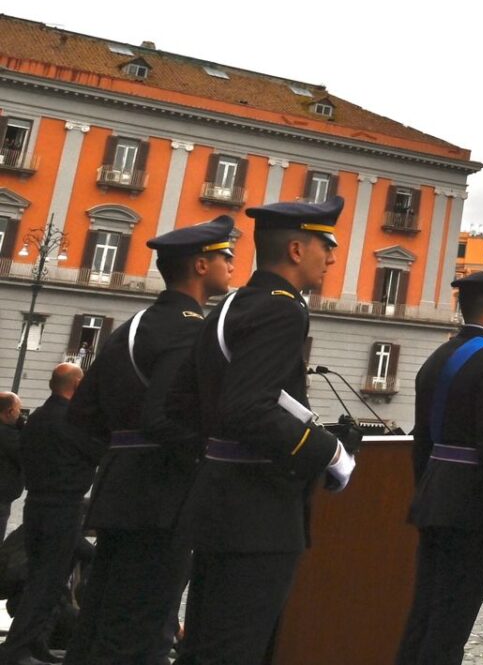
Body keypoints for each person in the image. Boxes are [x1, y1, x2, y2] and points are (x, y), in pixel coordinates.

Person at [169, 198, 353, 665]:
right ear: (296, 249)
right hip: (258, 511)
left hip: (220, 500)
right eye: (325, 245)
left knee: (206, 645)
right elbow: (249, 406)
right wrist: (328, 452)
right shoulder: (282, 310)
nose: (331, 257)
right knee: (235, 649)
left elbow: (183, 404)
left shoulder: (232, 304)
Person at [65, 216, 236, 665]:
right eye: (225, 256)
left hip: (120, 490)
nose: (232, 264)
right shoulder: (189, 329)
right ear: (201, 266)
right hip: (163, 498)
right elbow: (163, 418)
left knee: (100, 620)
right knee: (144, 631)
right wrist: (212, 451)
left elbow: (82, 415)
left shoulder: (132, 325)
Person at [394, 261, 483, 665]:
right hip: (471, 510)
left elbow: (421, 441)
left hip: (435, 498)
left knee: (424, 615)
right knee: (452, 625)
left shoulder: (439, 356)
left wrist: (428, 489)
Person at [0, 363, 100, 665]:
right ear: (77, 384)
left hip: (36, 505)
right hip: (63, 507)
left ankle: (34, 643)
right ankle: (16, 649)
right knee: (48, 583)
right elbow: (96, 452)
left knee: (41, 580)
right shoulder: (73, 421)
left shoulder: (38, 418)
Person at [0, 393, 20, 546]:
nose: (20, 414)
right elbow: (24, 456)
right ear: (10, 411)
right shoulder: (8, 435)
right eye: (18, 410)